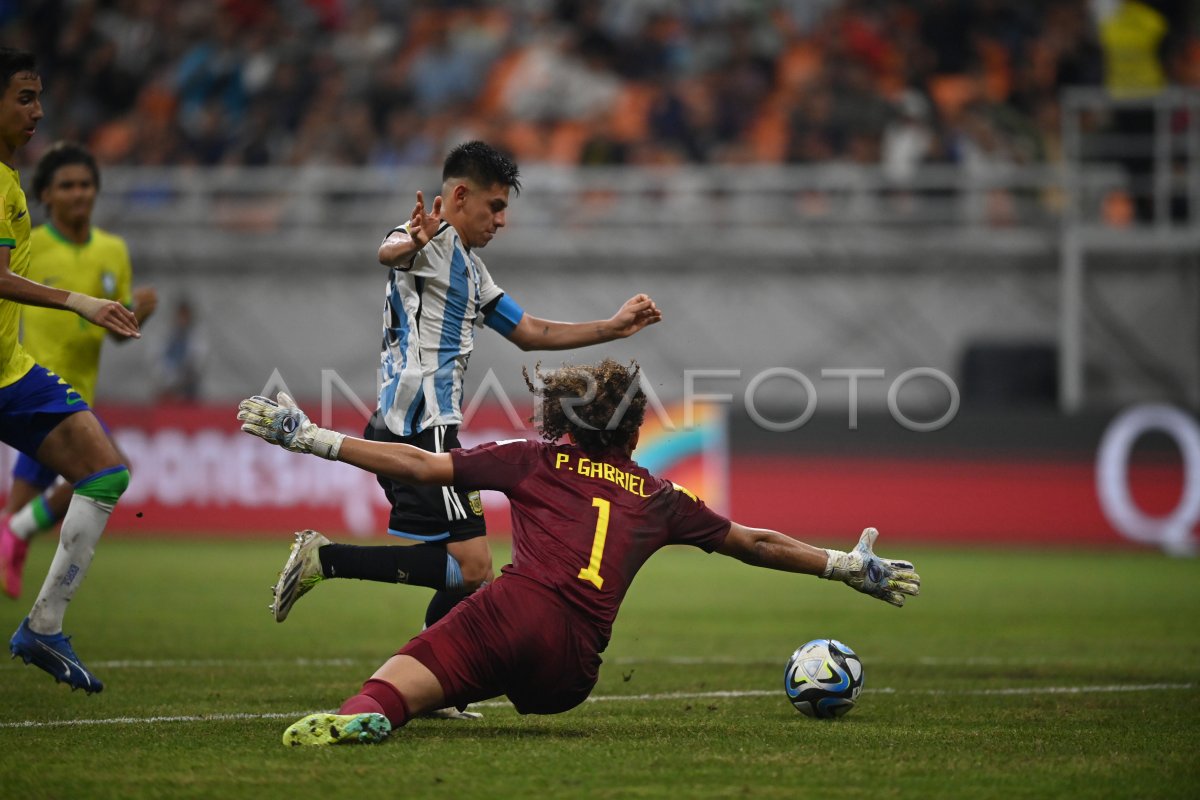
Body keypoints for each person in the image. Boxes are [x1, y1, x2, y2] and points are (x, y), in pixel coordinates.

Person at [237, 358, 921, 746]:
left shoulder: (533, 459)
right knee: (483, 667)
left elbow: (418, 465)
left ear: (563, 418)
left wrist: (310, 437)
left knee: (401, 677)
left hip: (512, 613)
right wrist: (843, 565)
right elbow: (754, 543)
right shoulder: (660, 495)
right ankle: (431, 697)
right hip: (572, 674)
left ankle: (369, 713)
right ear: (633, 426)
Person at [268, 142, 662, 689]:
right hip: (425, 428)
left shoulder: (471, 271)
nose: (501, 220)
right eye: (494, 207)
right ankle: (327, 562)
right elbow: (390, 252)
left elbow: (529, 334)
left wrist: (611, 327)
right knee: (474, 568)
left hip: (410, 424)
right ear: (459, 195)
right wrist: (414, 237)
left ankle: (433, 677)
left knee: (458, 571)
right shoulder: (425, 243)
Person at [0, 48, 141, 693]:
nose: (39, 110)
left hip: (13, 374)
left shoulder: (11, 186)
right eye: (25, 97)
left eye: (38, 97)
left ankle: (45, 624)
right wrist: (76, 300)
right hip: (20, 373)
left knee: (106, 472)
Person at [0, 141, 157, 600]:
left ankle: (16, 543)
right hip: (33, 388)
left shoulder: (113, 251)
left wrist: (136, 315)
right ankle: (20, 547)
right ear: (45, 195)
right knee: (111, 469)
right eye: (66, 185)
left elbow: (113, 330)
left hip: (76, 395)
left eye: (86, 184)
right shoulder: (31, 244)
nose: (78, 194)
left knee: (25, 514)